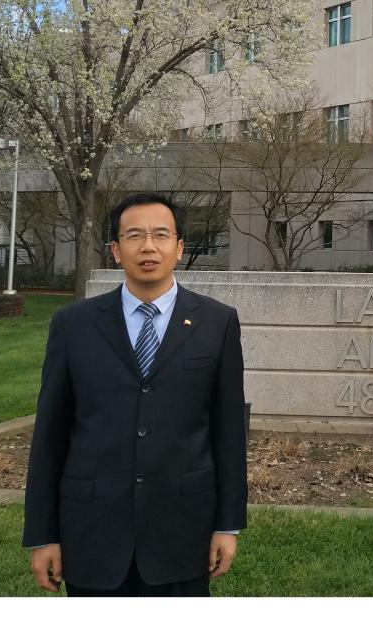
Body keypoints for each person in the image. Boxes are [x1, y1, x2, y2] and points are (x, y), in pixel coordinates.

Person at [22, 192, 247, 597]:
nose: (148, 246)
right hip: (92, 531)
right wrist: (43, 534)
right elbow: (50, 434)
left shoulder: (218, 323)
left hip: (183, 530)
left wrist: (227, 525)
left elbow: (229, 432)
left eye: (161, 235)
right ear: (115, 249)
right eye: (134, 235)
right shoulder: (74, 325)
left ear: (179, 247)